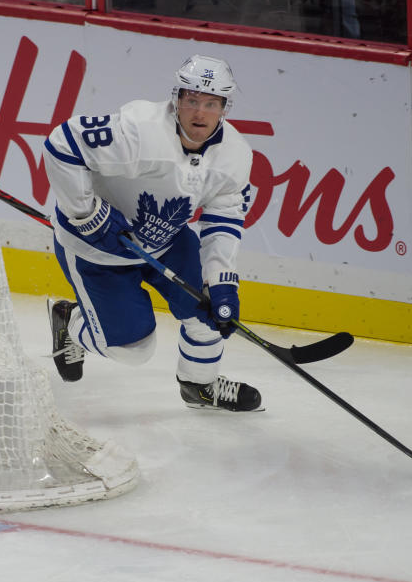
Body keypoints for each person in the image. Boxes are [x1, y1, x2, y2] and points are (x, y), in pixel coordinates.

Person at [43, 54, 262, 412]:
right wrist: (88, 215)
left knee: (208, 310)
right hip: (96, 249)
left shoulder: (235, 155)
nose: (199, 113)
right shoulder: (139, 130)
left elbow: (223, 220)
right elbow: (62, 144)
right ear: (177, 98)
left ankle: (199, 385)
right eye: (191, 100)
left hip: (167, 241)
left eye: (211, 103)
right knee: (132, 351)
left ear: (224, 107)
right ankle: (71, 323)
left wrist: (221, 280)